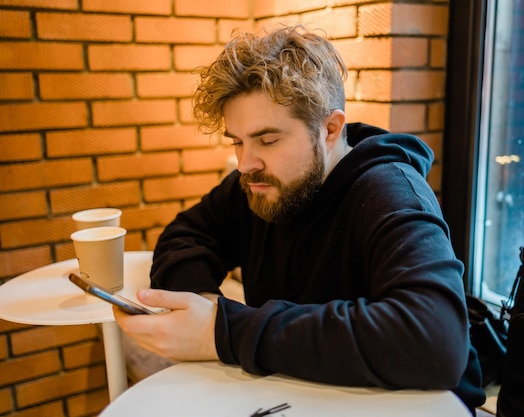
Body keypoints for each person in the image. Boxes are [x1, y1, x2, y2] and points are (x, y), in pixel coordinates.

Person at [113, 25, 485, 414]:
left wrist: (224, 331)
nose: (245, 164)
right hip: (299, 396)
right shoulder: (259, 181)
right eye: (237, 141)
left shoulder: (389, 191)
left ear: (330, 129)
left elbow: (435, 340)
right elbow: (186, 234)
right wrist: (201, 304)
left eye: (268, 140)